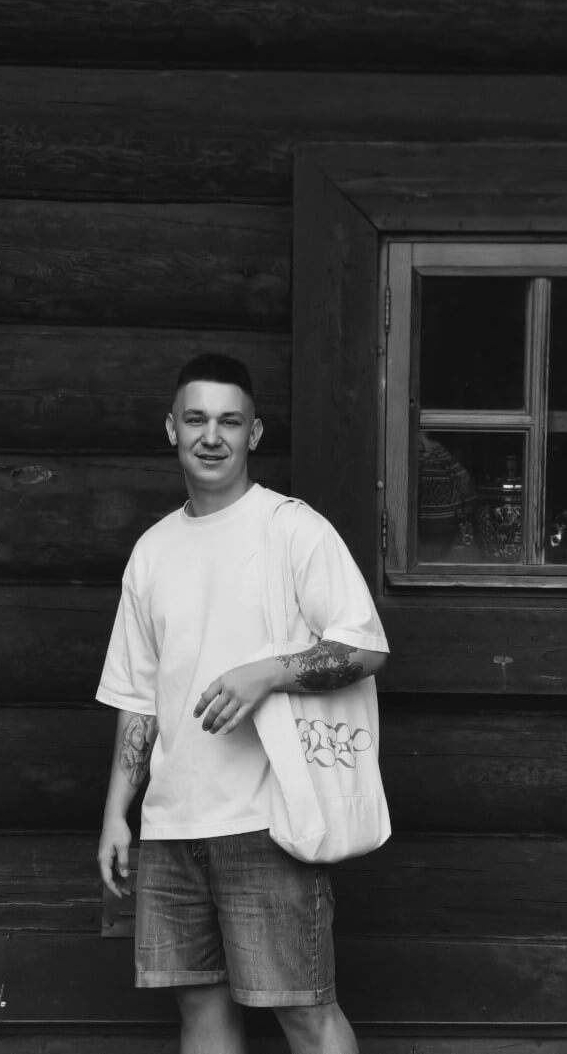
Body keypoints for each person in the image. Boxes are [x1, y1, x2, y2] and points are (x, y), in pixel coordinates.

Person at [95, 353, 389, 1054]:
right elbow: (138, 698)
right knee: (199, 1014)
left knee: (303, 1013)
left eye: (230, 420)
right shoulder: (152, 551)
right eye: (195, 418)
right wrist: (116, 813)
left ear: (254, 433)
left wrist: (268, 671)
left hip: (269, 818)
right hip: (171, 827)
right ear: (172, 427)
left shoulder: (291, 529)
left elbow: (365, 646)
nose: (211, 435)